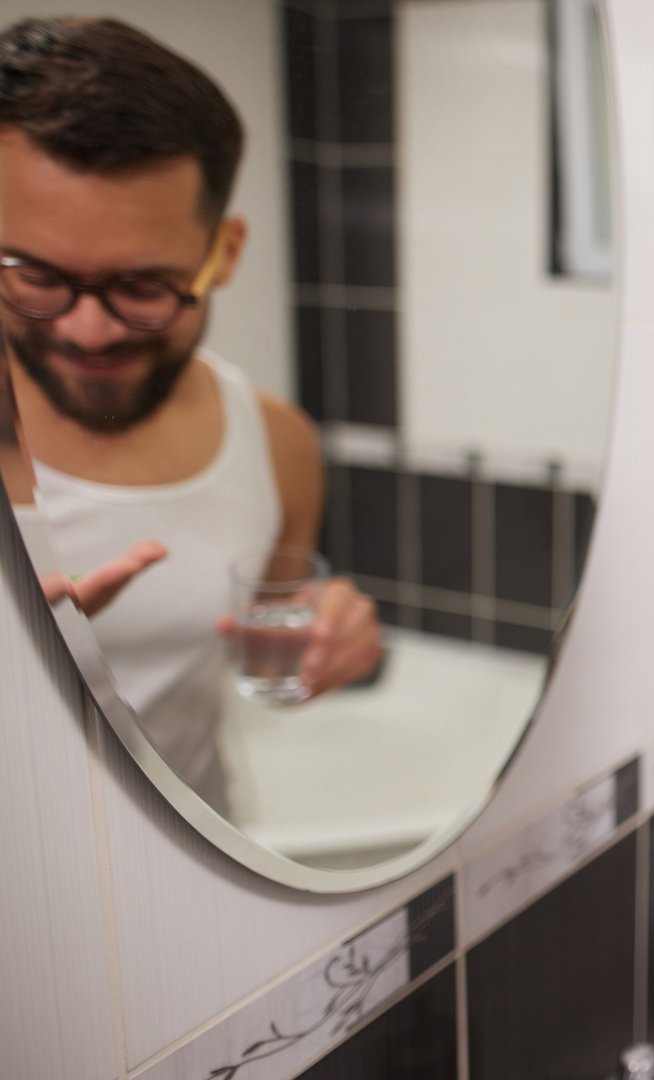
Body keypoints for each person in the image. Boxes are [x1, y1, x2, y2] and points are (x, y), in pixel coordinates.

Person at [0, 16, 382, 811]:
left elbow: (271, 655)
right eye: (34, 276)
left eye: (141, 287)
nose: (87, 329)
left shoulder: (276, 441)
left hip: (198, 863)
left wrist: (330, 642)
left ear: (226, 252)